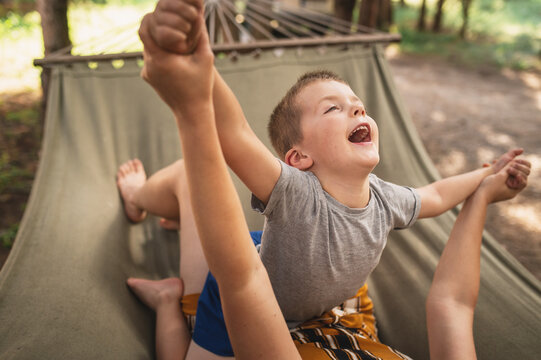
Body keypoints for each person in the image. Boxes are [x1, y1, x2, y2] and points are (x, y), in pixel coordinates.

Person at [121, 1, 532, 359]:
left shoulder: (386, 200)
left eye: (359, 106)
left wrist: (485, 175)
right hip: (244, 293)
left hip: (294, 290)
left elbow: (438, 194)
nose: (357, 112)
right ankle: (163, 291)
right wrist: (199, 62)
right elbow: (235, 133)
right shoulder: (295, 194)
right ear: (298, 158)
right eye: (334, 109)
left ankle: (171, 234)